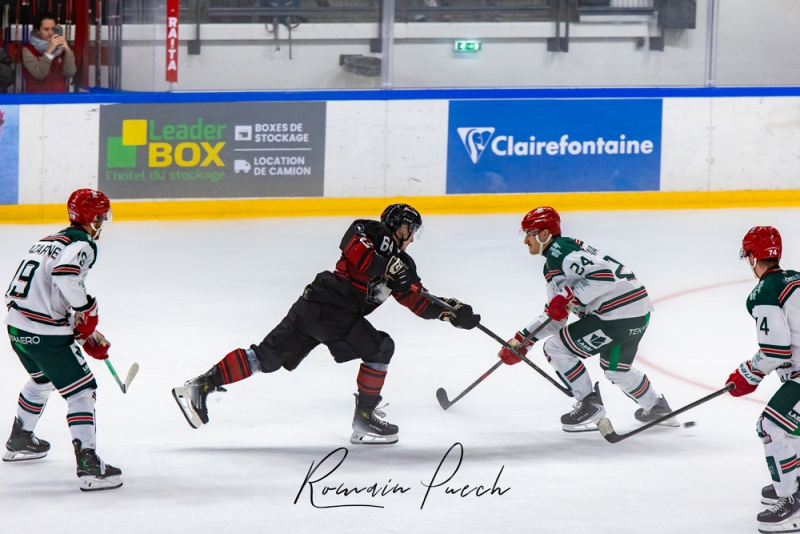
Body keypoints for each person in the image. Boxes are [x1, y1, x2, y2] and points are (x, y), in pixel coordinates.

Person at [173, 204, 480, 445]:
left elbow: (416, 300)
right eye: (411, 229)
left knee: (264, 358)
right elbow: (354, 249)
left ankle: (200, 386)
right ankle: (364, 419)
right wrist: (388, 266)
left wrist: (450, 313)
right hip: (333, 306)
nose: (412, 237)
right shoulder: (369, 231)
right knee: (380, 348)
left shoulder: (405, 268)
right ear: (399, 226)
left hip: (315, 306)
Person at [497, 206, 674, 432]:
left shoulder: (558, 251)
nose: (525, 241)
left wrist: (570, 297)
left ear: (544, 234)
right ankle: (656, 406)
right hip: (636, 312)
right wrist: (522, 341)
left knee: (556, 348)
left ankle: (589, 403)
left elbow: (603, 276)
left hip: (615, 314)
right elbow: (555, 317)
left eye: (529, 233)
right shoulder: (558, 258)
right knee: (616, 371)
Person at [3, 188, 122, 491]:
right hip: (45, 335)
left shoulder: (48, 241)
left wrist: (83, 330)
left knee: (42, 381)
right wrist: (88, 311)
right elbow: (66, 275)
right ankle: (89, 466)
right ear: (89, 217)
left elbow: (45, 291)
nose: (102, 222)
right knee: (82, 392)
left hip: (17, 328)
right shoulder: (83, 244)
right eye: (99, 216)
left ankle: (20, 439)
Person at [725, 226, 800, 532]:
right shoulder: (796, 277)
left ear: (753, 256)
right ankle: (794, 481)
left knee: (772, 425)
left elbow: (776, 350)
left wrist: (747, 374)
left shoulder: (763, 292)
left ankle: (790, 502)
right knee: (791, 424)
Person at [22, 12, 76, 93]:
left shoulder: (61, 48)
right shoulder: (28, 50)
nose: (51, 33)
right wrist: (49, 52)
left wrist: (68, 51)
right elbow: (40, 74)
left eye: (53, 29)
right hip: (36, 100)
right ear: (37, 31)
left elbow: (70, 73)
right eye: (46, 29)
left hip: (60, 99)